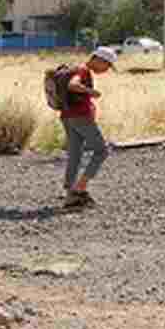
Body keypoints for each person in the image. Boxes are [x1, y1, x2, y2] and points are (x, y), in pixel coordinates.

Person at [61, 45, 115, 208]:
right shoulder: (83, 70)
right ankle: (80, 188)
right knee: (102, 150)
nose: (106, 70)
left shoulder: (78, 68)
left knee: (75, 154)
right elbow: (72, 85)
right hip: (80, 117)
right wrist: (91, 92)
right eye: (107, 65)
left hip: (67, 116)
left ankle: (71, 194)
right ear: (98, 59)